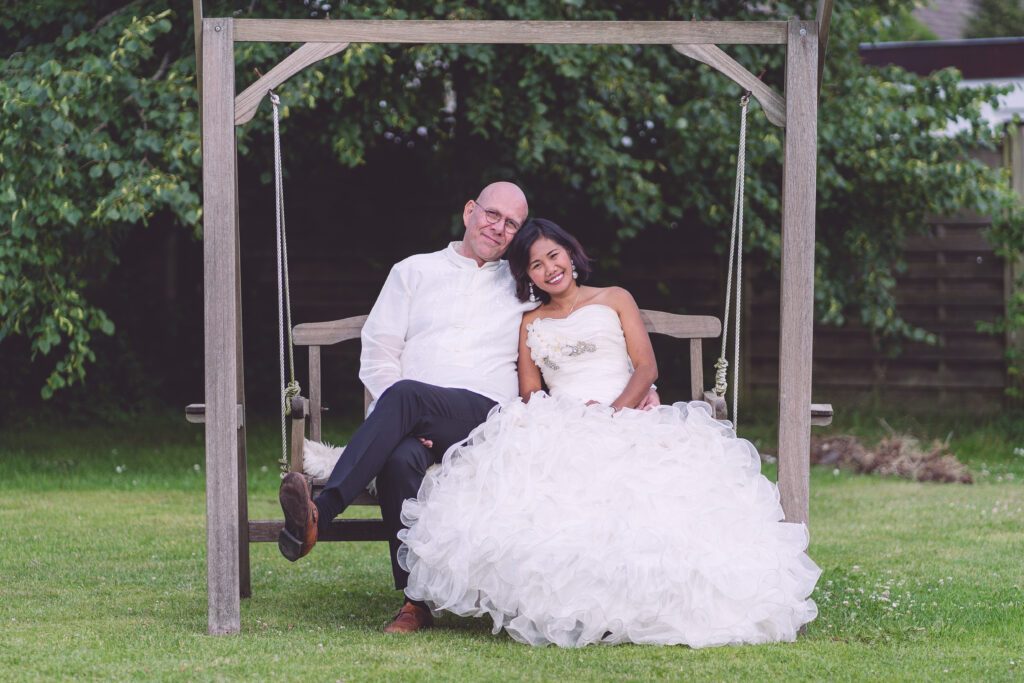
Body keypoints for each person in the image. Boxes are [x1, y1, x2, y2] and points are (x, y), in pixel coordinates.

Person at [397, 218, 821, 648]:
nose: (549, 269)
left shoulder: (614, 298)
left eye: (554, 256)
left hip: (627, 411)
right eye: (536, 265)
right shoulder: (531, 322)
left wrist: (614, 412)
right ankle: (569, 606)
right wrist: (560, 417)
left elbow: (646, 367)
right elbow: (529, 393)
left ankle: (644, 604)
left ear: (571, 253)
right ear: (528, 276)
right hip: (563, 419)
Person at [277, 183, 659, 634]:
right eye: (492, 215)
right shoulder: (412, 272)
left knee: (407, 397)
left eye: (511, 224)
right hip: (412, 415)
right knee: (399, 459)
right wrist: (401, 424)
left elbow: (577, 331)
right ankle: (414, 601)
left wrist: (636, 392)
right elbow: (379, 353)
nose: (499, 228)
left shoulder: (522, 284)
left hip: (488, 419)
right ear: (469, 211)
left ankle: (323, 509)